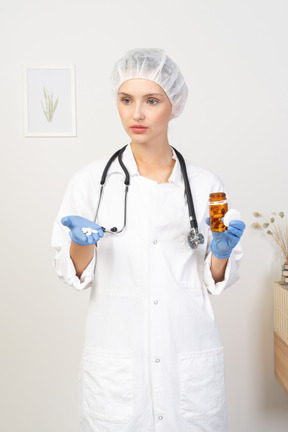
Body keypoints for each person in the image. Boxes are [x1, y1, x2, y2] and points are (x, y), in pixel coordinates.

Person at [52, 48, 245, 432]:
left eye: (151, 101)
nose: (136, 114)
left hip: (186, 358)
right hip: (118, 368)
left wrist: (221, 253)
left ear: (173, 105)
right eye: (126, 100)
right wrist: (81, 243)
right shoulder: (92, 182)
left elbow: (215, 278)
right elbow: (73, 274)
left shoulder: (206, 186)